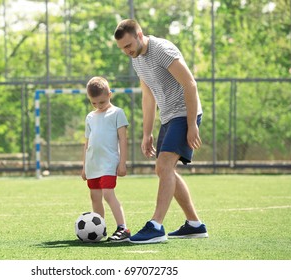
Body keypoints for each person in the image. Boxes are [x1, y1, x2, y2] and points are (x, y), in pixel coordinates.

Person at [114, 19, 208, 243]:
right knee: (165, 169)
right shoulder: (137, 60)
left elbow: (190, 84)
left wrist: (192, 122)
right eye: (122, 49)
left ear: (139, 34)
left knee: (164, 165)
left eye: (128, 45)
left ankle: (156, 226)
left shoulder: (162, 50)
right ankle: (195, 224)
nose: (127, 51)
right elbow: (148, 97)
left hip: (184, 113)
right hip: (168, 117)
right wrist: (147, 133)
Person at [81, 76, 131, 242]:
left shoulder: (117, 113)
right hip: (93, 164)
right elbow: (87, 143)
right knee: (95, 197)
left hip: (109, 163)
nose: (98, 106)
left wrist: (122, 163)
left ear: (110, 94)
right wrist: (84, 166)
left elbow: (123, 139)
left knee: (108, 194)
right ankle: (99, 228)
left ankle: (123, 228)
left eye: (101, 102)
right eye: (93, 103)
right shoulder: (90, 117)